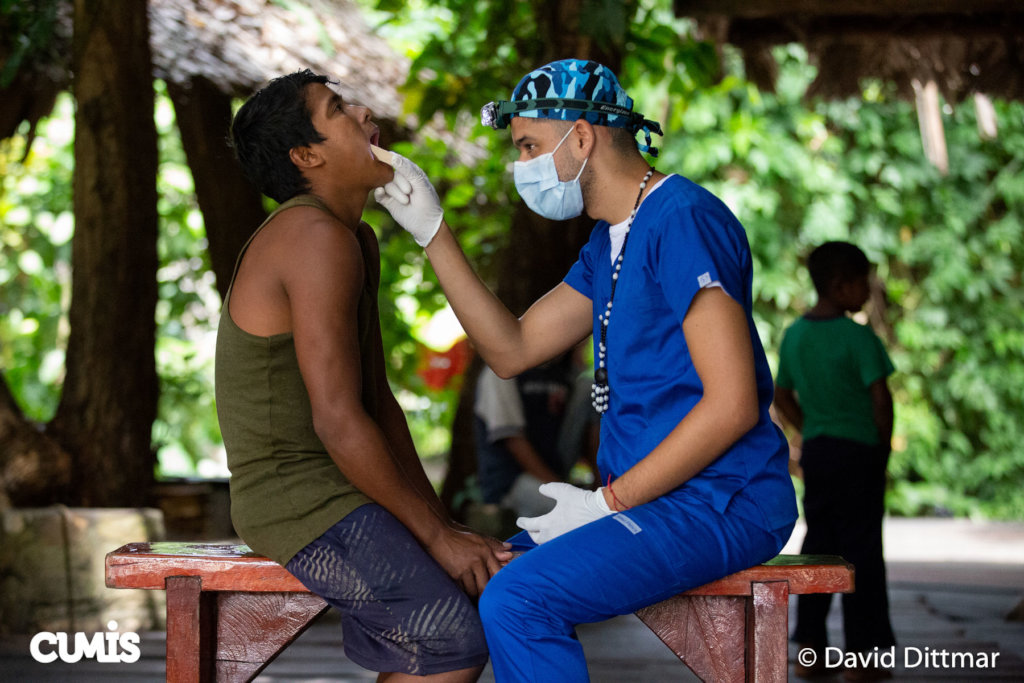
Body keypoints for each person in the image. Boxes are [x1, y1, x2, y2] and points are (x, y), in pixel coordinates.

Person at [374, 58, 798, 682]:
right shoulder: (606, 244)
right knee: (470, 577)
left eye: (528, 146)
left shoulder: (681, 218)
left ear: (581, 136)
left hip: (722, 500)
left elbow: (732, 402)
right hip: (649, 505)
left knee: (520, 599)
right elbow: (512, 349)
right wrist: (433, 232)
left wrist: (607, 502)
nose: (521, 166)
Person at [216, 69, 510, 683]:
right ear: (307, 155)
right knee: (450, 639)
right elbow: (337, 419)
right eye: (338, 110)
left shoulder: (354, 239)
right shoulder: (312, 236)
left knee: (464, 612)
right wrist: (435, 539)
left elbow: (377, 405)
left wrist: (444, 527)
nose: (364, 112)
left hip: (339, 485)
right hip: (295, 494)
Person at [774, 241, 896, 681]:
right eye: (864, 282)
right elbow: (881, 401)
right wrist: (880, 449)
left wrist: (810, 427)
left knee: (819, 550)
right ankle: (864, 657)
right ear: (841, 285)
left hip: (821, 454)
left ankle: (811, 649)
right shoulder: (859, 337)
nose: (868, 291)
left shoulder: (796, 335)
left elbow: (780, 392)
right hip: (860, 453)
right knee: (862, 552)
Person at [473, 351, 581, 519]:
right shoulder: (501, 371)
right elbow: (512, 440)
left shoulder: (564, 373)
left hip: (553, 474)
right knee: (578, 513)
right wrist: (563, 489)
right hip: (510, 482)